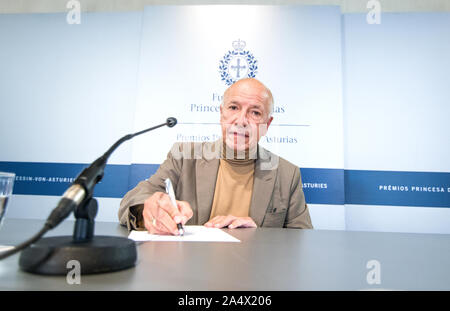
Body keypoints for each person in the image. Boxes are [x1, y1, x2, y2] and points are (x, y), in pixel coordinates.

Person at [118, 78, 313, 234]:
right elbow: (133, 200)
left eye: (254, 112)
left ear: (267, 124)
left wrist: (260, 236)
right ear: (222, 114)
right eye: (234, 108)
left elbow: (302, 237)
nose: (241, 120)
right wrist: (148, 210)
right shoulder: (184, 157)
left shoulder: (287, 174)